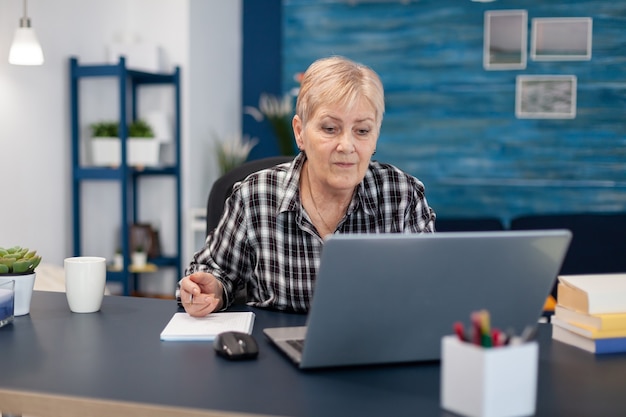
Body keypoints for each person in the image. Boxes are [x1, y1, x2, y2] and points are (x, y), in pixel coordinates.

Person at [179, 55, 436, 316]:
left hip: (374, 349)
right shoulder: (255, 195)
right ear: (300, 132)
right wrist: (211, 290)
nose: (347, 146)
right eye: (330, 128)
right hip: (273, 349)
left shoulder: (403, 196)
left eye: (362, 131)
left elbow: (431, 288)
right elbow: (213, 272)